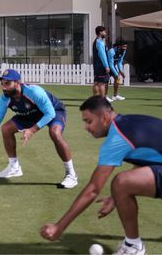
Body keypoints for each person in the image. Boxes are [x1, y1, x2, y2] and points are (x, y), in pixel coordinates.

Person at [40, 95, 162, 255]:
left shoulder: (116, 138)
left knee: (121, 182)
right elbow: (146, 157)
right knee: (122, 185)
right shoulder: (129, 122)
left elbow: (93, 189)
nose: (86, 127)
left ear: (104, 117)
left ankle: (133, 246)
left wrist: (59, 227)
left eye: (89, 121)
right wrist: (116, 197)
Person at [0, 69, 78, 189]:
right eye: (2, 83)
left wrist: (32, 130)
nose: (3, 87)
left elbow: (50, 114)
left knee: (55, 133)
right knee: (6, 129)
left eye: (7, 83)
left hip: (54, 111)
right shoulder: (4, 98)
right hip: (30, 114)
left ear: (17, 83)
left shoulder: (34, 92)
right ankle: (14, 168)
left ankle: (71, 174)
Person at [92, 26, 112, 102]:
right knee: (102, 84)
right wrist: (106, 66)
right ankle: (102, 102)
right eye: (104, 32)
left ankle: (95, 101)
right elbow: (102, 55)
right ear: (100, 32)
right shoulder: (100, 42)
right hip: (101, 66)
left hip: (96, 66)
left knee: (96, 83)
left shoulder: (96, 41)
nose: (105, 33)